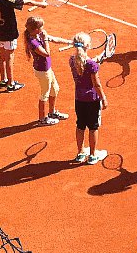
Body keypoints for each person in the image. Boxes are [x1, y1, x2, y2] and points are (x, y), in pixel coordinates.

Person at [22, 16, 72, 125]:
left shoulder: (38, 35)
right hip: (42, 71)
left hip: (47, 69)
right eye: (41, 27)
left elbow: (55, 39)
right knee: (44, 94)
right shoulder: (33, 42)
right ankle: (42, 119)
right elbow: (46, 53)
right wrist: (45, 40)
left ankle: (52, 113)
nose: (43, 28)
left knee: (55, 89)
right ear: (36, 29)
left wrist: (70, 42)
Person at [69, 32, 108, 165]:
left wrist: (95, 61)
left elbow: (83, 64)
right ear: (87, 46)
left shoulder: (72, 60)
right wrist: (103, 98)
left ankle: (80, 153)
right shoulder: (91, 65)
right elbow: (96, 84)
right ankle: (92, 155)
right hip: (92, 100)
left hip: (79, 99)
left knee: (80, 125)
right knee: (93, 127)